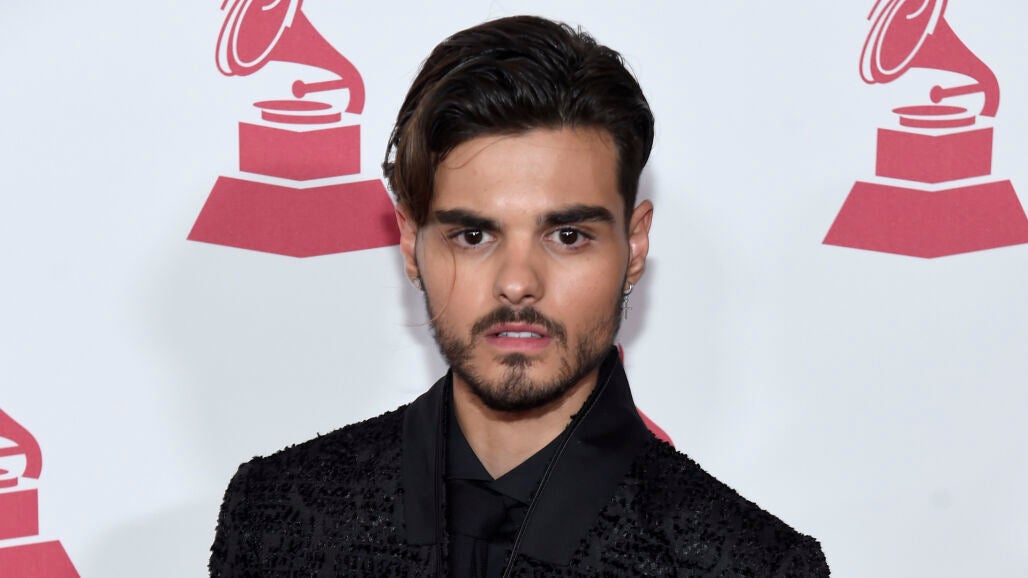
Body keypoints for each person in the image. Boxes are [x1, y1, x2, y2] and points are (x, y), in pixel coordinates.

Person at [209, 15, 829, 577]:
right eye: (474, 235)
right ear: (411, 243)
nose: (517, 281)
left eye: (568, 236)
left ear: (635, 246)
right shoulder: (274, 515)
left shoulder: (751, 566)